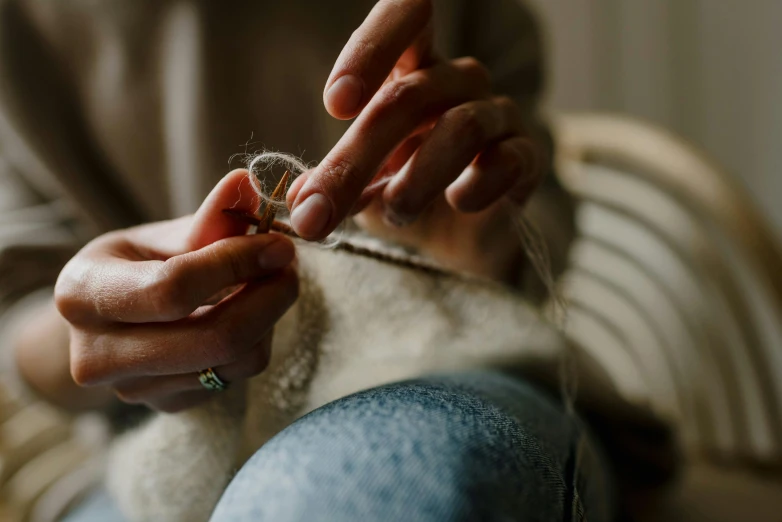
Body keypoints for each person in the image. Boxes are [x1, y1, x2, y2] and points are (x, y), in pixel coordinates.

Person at [0, 0, 616, 520]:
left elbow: (543, 229)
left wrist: (477, 235)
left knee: (350, 483)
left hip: (450, 377)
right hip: (139, 452)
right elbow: (18, 303)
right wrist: (99, 324)